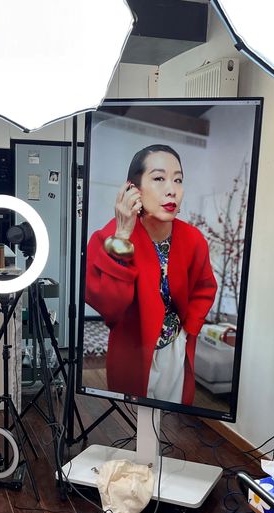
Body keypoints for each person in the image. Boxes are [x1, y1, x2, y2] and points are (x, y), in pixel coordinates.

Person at [85, 144, 216, 405]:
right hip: (132, 352)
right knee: (132, 420)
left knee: (171, 419)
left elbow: (205, 288)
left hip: (176, 348)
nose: (171, 189)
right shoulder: (106, 238)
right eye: (159, 178)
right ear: (132, 189)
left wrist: (188, 330)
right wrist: (122, 236)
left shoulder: (193, 239)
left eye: (178, 179)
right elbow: (110, 307)